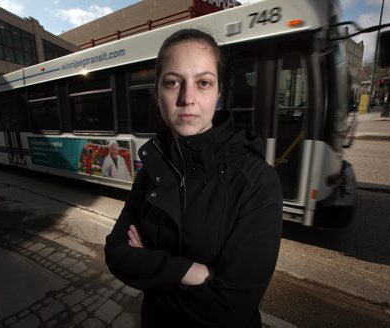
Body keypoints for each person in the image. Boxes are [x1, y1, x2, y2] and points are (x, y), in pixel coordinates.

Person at [105, 28, 282, 327]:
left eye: (203, 83)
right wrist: (188, 271)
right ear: (156, 92)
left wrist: (150, 268)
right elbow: (116, 252)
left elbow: (230, 309)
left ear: (219, 92)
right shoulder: (152, 169)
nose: (187, 98)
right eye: (173, 82)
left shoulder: (257, 182)